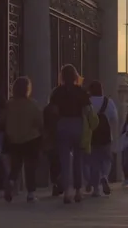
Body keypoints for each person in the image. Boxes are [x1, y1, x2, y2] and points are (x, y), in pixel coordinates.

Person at [50, 64, 98, 204]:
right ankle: (78, 191)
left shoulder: (57, 92)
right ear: (75, 76)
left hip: (62, 124)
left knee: (65, 161)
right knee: (78, 159)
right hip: (78, 124)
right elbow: (88, 110)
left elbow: (53, 111)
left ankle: (67, 192)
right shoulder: (81, 92)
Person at [4, 76, 43, 203]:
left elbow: (4, 120)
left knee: (16, 165)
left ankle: (10, 181)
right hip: (30, 139)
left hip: (14, 139)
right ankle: (30, 193)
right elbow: (39, 122)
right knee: (30, 166)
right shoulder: (32, 104)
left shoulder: (9, 104)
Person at [89, 80, 118, 197]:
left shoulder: (88, 101)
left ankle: (95, 189)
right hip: (106, 136)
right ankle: (104, 176)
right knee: (107, 159)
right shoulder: (108, 101)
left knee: (94, 162)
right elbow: (114, 117)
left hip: (92, 135)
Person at [43, 103, 63, 196]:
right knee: (60, 163)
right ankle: (59, 181)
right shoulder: (61, 109)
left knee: (53, 165)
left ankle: (55, 183)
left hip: (49, 142)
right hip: (59, 140)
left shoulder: (47, 109)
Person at [121, 114, 128, 186]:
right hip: (125, 145)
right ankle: (126, 178)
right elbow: (122, 133)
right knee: (125, 163)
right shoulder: (125, 124)